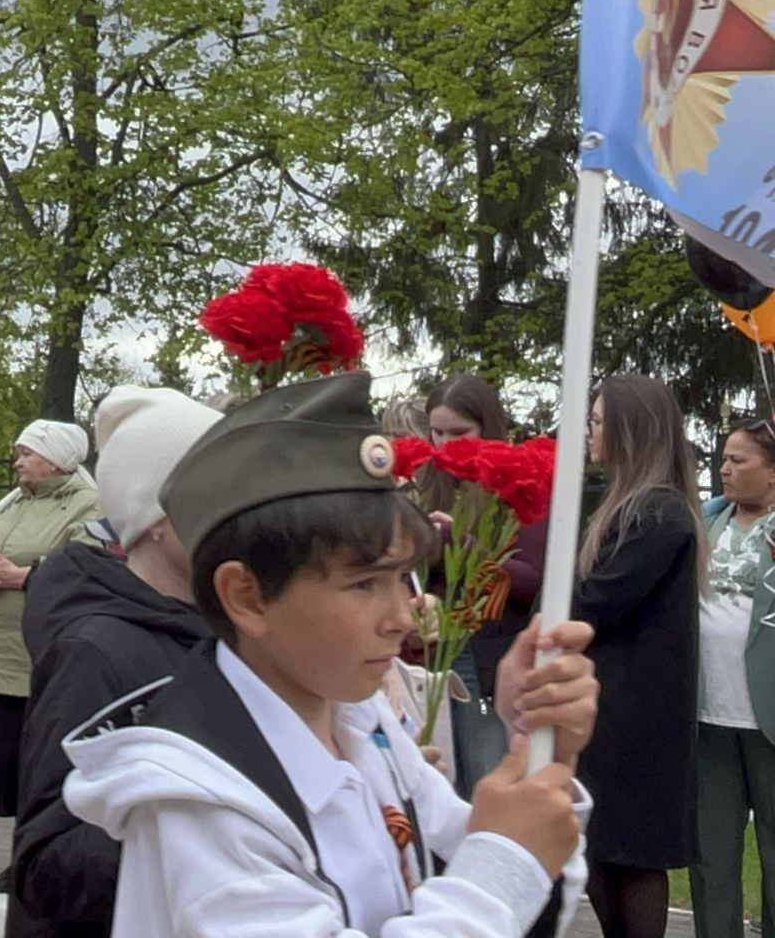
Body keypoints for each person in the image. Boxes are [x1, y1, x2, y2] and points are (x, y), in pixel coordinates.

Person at [64, 371, 599, 937]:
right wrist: (505, 859)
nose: (402, 617)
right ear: (246, 596)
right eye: (365, 584)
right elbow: (491, 880)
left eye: (402, 579)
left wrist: (539, 752)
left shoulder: (362, 724)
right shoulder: (202, 799)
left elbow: (472, 877)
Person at [8, 386, 220, 937]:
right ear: (155, 516)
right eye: (216, 487)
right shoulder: (93, 653)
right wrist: (188, 822)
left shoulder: (233, 637)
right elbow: (47, 865)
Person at [573, 374, 704, 937]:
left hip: (636, 717)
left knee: (630, 856)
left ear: (629, 429)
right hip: (617, 711)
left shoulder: (657, 515)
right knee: (603, 855)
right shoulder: (635, 508)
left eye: (598, 420)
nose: (588, 431)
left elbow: (594, 602)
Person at [0, 419, 101, 889]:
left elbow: (89, 570)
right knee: (9, 767)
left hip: (42, 657)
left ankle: (38, 866)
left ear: (54, 459)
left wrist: (24, 576)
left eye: (26, 453)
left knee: (43, 770)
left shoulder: (88, 504)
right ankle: (24, 859)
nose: (17, 461)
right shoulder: (11, 502)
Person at [421, 374, 549, 796]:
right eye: (436, 432)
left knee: (487, 782)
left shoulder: (515, 483)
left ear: (488, 429)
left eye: (459, 433)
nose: (445, 445)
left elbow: (531, 578)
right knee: (436, 785)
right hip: (432, 654)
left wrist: (460, 541)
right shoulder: (431, 484)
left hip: (488, 660)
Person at [691, 419, 775, 938]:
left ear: (771, 473)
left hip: (769, 716)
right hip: (709, 717)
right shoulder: (705, 522)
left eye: (739, 460)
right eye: (723, 458)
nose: (724, 468)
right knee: (711, 858)